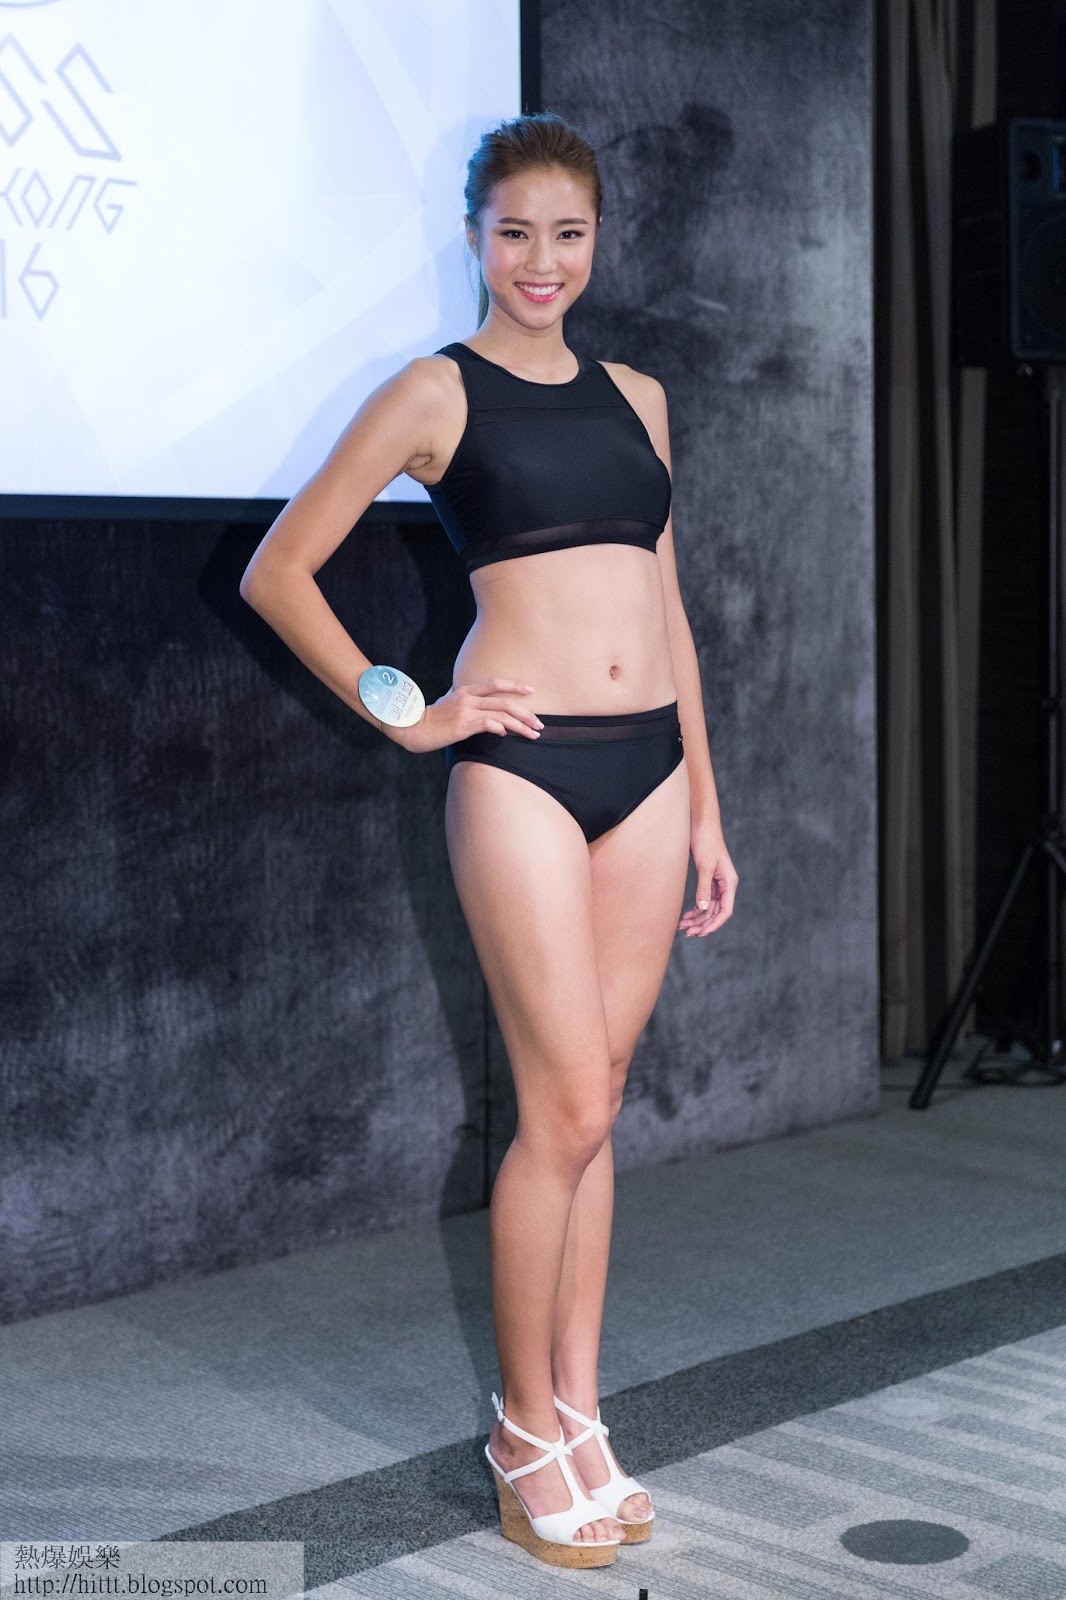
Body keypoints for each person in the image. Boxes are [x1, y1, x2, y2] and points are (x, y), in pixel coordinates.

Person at [240, 111, 738, 1571]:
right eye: (514, 231)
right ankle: (522, 1433)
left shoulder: (638, 398)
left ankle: (578, 1410)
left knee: (603, 1102)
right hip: (520, 770)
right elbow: (281, 570)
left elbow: (666, 608)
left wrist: (709, 804)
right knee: (560, 1106)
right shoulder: (432, 391)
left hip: (650, 771)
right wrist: (408, 711)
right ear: (475, 236)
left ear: (596, 240)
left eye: (566, 234)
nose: (541, 259)